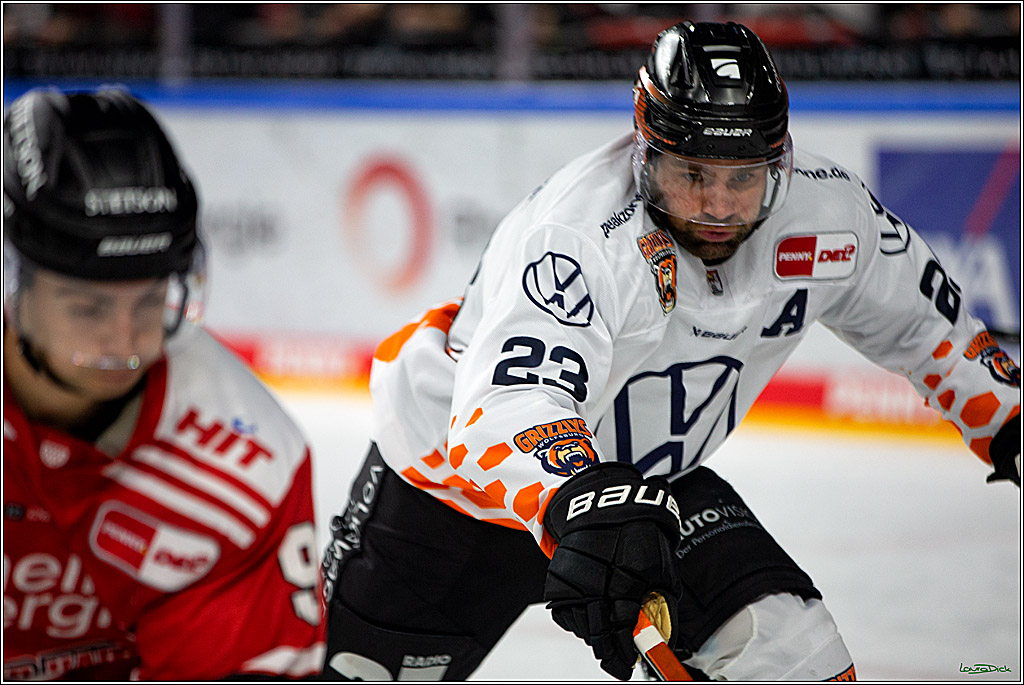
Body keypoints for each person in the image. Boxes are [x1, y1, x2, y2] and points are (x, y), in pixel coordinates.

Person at [319, 21, 1020, 681]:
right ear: (644, 151)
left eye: (743, 177)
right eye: (691, 174)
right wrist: (580, 496)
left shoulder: (829, 215)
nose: (717, 205)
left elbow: (928, 327)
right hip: (455, 501)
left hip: (649, 492)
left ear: (781, 162)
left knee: (790, 654)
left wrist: (1010, 420)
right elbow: (505, 403)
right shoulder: (582, 234)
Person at [3, 88, 325, 680]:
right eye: (88, 309)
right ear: (14, 283)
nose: (126, 345)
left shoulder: (248, 472)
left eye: (149, 302)